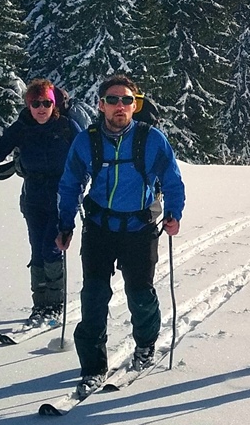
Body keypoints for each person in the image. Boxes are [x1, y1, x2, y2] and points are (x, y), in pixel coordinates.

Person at [56, 74, 184, 395]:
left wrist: (173, 213)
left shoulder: (151, 138)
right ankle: (93, 366)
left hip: (139, 230)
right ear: (101, 105)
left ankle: (145, 345)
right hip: (99, 229)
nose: (120, 106)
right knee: (94, 298)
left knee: (140, 296)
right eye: (112, 100)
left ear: (134, 105)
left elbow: (171, 179)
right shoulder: (87, 140)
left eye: (127, 100)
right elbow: (70, 183)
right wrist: (65, 223)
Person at [0, 79, 78, 326]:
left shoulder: (67, 127)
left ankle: (55, 304)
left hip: (61, 198)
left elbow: (86, 155)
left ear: (54, 104)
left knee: (51, 248)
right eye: (36, 103)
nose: (41, 108)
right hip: (33, 199)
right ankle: (40, 305)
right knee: (37, 250)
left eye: (46, 103)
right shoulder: (22, 127)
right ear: (29, 105)